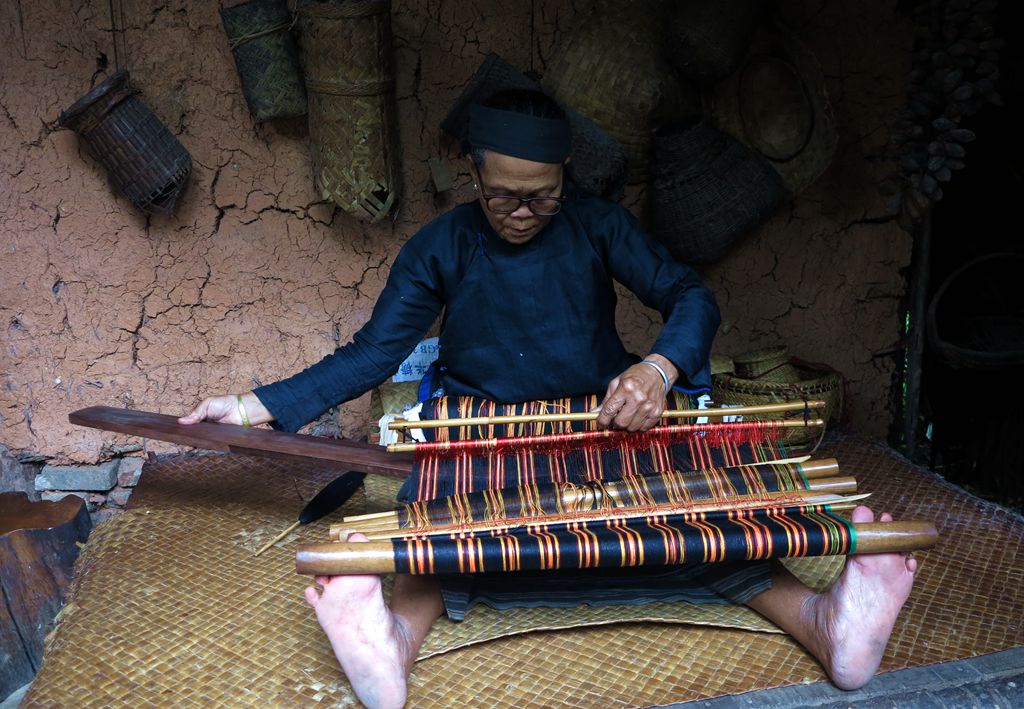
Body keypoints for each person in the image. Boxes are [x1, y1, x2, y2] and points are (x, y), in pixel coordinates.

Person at [180, 90, 918, 709]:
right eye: (502, 194)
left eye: (542, 195)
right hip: (485, 437)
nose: (522, 212)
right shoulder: (442, 245)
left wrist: (658, 370)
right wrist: (252, 407)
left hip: (605, 426)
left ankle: (831, 626)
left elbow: (690, 294)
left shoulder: (599, 227)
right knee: (441, 539)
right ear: (473, 174)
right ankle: (389, 644)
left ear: (567, 176)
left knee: (703, 522)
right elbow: (374, 351)